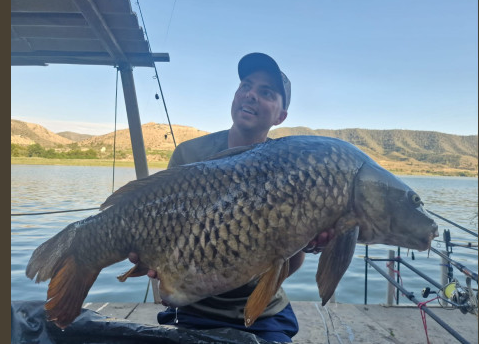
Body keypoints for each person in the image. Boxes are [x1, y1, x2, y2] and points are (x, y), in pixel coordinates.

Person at [129, 53, 330, 342]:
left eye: (266, 92)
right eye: (245, 86)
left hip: (262, 311)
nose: (251, 95)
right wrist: (154, 259)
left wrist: (307, 242)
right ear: (235, 96)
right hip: (193, 305)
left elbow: (290, 263)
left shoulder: (293, 168)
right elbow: (167, 232)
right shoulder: (189, 154)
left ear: (280, 116)